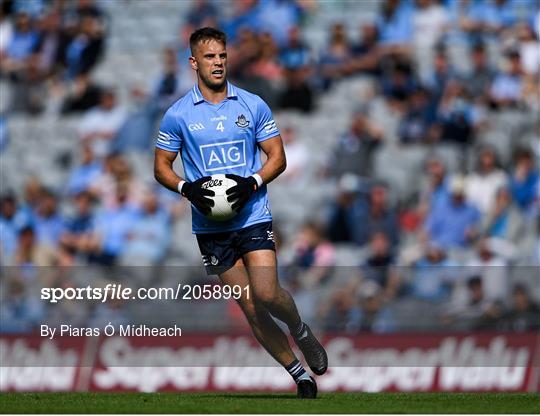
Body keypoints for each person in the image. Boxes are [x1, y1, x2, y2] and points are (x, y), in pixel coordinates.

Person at [153, 27, 326, 399]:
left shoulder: (252, 104)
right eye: (210, 57)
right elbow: (161, 167)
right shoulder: (178, 114)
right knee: (249, 306)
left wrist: (251, 183)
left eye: (222, 56)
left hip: (252, 214)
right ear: (193, 62)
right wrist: (187, 188)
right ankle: (300, 376)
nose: (218, 63)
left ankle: (300, 331)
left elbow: (277, 157)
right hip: (210, 226)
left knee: (265, 293)